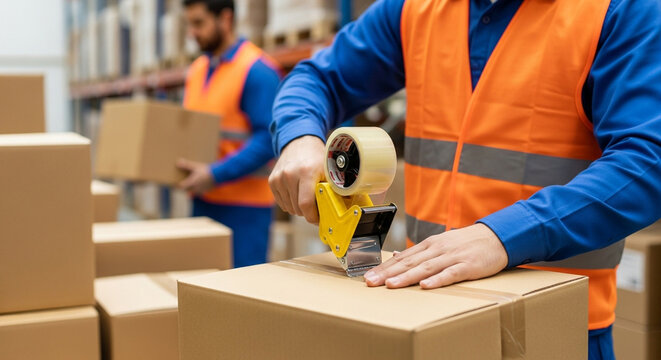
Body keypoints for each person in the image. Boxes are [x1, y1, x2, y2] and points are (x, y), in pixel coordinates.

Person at [267, 0, 661, 358]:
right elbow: (318, 79)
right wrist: (300, 137)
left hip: (554, 329)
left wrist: (504, 235)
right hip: (421, 313)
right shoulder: (413, 10)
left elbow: (648, 161)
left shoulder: (618, 10)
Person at [179, 0, 281, 267]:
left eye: (199, 23)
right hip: (203, 202)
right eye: (189, 24)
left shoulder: (257, 71)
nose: (192, 32)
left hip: (244, 210)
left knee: (241, 298)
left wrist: (214, 174)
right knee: (201, 292)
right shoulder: (197, 70)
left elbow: (268, 139)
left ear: (225, 19)